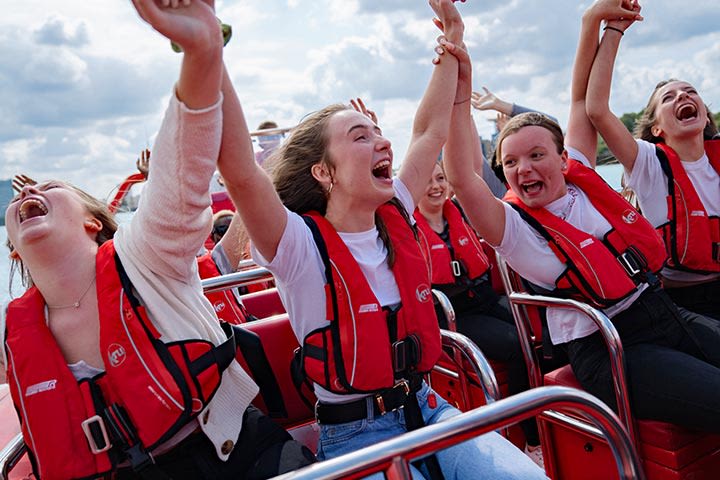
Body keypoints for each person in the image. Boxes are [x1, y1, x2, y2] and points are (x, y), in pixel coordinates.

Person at [214, 0, 546, 477]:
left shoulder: (397, 212)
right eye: (360, 136)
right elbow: (242, 173)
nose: (383, 142)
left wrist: (453, 33)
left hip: (431, 411)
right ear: (324, 172)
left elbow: (429, 129)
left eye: (378, 132)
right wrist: (208, 51)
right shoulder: (298, 246)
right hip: (356, 437)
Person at [0, 1, 314, 478]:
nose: (34, 190)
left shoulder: (145, 257)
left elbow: (181, 163)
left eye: (52, 187)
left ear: (93, 223)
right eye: (23, 195)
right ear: (14, 248)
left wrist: (200, 50)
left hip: (232, 459)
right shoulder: (14, 334)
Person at [444, 0, 720, 434]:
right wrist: (459, 80)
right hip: (609, 349)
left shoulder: (582, 176)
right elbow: (462, 176)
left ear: (562, 157)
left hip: (662, 310)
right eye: (511, 163)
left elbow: (580, 99)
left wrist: (599, 22)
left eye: (537, 155)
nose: (524, 169)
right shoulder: (515, 229)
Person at [585, 3, 720, 319]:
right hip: (686, 302)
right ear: (656, 128)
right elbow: (596, 110)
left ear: (705, 113)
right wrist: (614, 31)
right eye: (669, 98)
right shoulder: (648, 163)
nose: (683, 97)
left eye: (690, 92)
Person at [413, 161, 542, 465]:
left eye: (441, 178)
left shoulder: (460, 211)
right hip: (451, 314)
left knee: (541, 329)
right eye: (427, 180)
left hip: (483, 297)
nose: (435, 186)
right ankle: (532, 438)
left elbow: (468, 162)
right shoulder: (404, 227)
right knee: (515, 345)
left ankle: (552, 416)